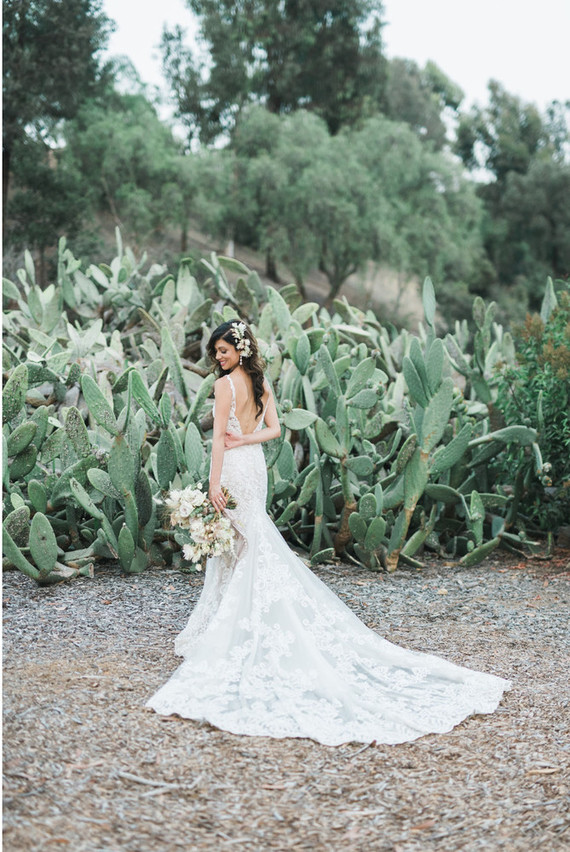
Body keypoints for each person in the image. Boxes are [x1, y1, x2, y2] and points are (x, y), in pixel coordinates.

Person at [146, 321, 511, 746]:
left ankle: (233, 627)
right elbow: (275, 432)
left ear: (240, 350)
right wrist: (246, 439)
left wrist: (212, 483)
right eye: (217, 353)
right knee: (246, 542)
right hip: (255, 466)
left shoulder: (226, 386)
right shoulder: (260, 383)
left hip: (234, 468)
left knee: (242, 544)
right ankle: (227, 623)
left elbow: (217, 442)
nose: (219, 358)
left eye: (224, 351)